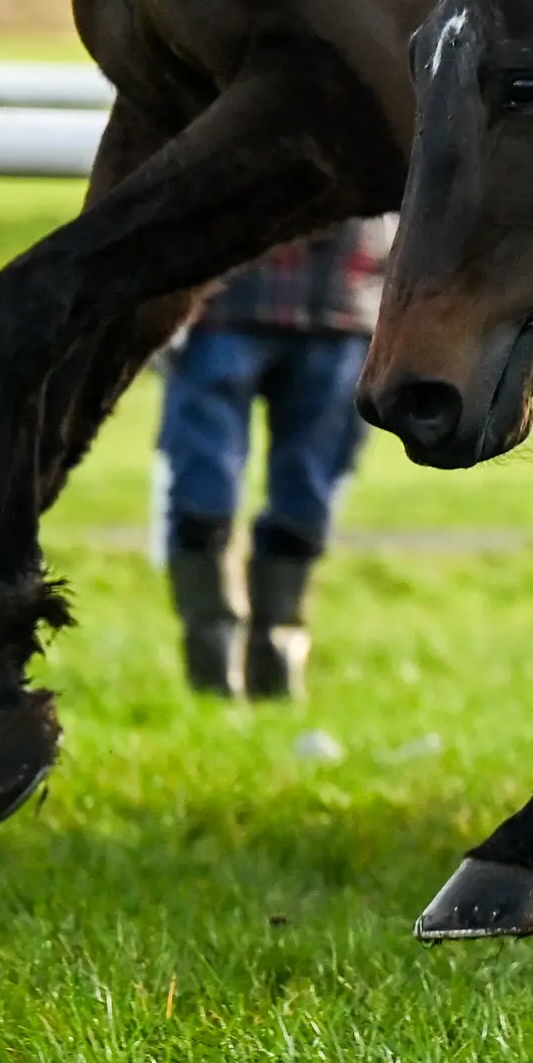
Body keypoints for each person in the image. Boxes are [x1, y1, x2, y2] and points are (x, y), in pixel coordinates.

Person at [157, 215, 390, 704]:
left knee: (305, 502)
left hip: (343, 303)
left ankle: (276, 668)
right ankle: (214, 673)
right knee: (203, 496)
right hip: (220, 302)